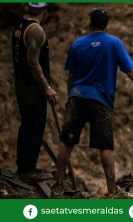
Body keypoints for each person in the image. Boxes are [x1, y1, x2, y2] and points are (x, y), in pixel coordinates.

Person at [53, 7, 133, 196]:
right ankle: (111, 192)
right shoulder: (114, 43)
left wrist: (70, 97)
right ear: (106, 26)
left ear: (90, 23)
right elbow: (130, 70)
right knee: (106, 147)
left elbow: (71, 76)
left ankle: (58, 184)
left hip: (77, 95)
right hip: (100, 100)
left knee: (66, 141)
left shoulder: (77, 44)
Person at [12, 2, 58, 183]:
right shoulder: (36, 31)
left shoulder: (20, 24)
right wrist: (47, 87)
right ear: (45, 9)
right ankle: (27, 170)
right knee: (34, 128)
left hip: (22, 86)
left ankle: (24, 166)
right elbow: (33, 62)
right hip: (33, 90)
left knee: (27, 127)